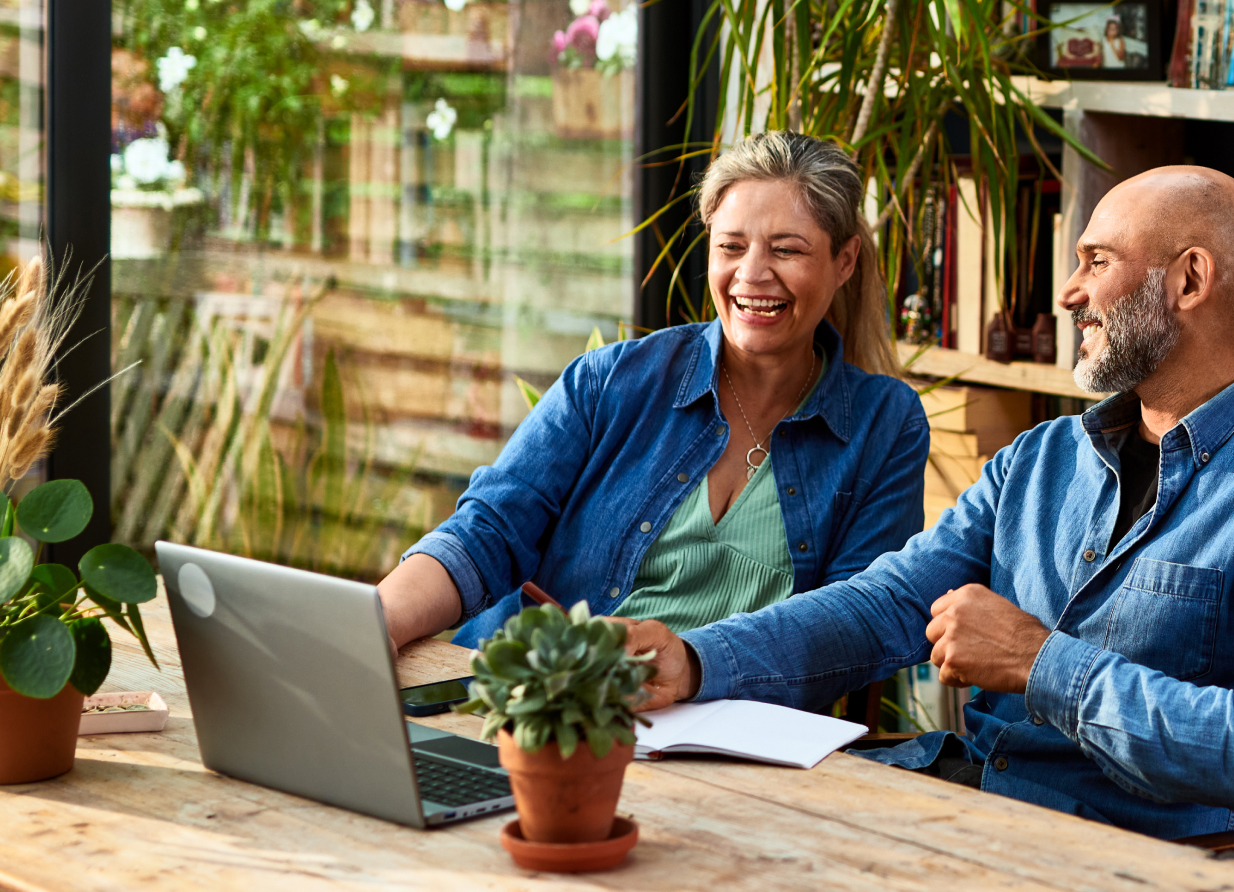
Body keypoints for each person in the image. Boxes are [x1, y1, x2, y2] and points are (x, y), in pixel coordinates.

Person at [623, 166, 1234, 839]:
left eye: (1097, 261)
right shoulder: (1041, 456)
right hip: (963, 804)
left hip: (1119, 854)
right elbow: (885, 604)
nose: (1070, 292)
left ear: (1189, 280)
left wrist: (1039, 662)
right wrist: (696, 660)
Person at [377, 131, 929, 653]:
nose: (752, 274)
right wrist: (376, 624)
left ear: (845, 261)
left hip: (726, 739)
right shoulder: (609, 381)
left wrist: (693, 666)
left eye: (786, 250)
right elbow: (488, 532)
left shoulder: (885, 426)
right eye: (731, 246)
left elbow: (853, 623)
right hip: (549, 710)